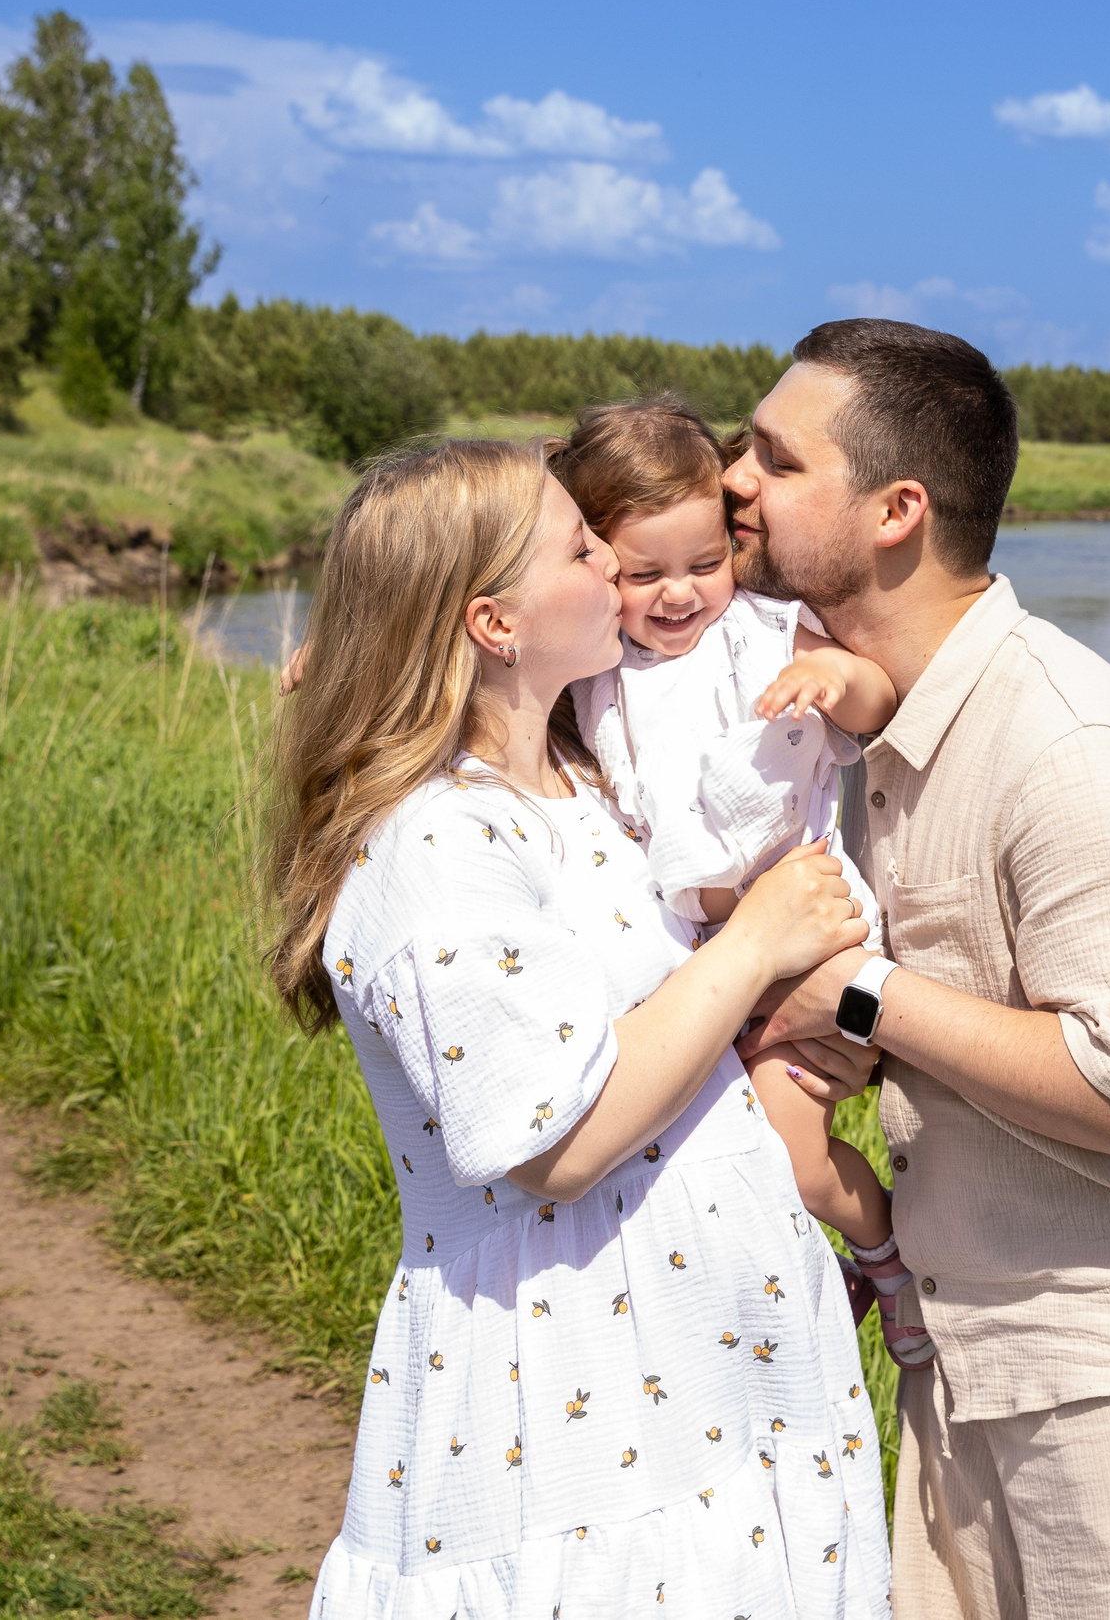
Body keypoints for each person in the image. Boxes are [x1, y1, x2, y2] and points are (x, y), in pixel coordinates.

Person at [728, 321, 1110, 1619]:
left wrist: (863, 995)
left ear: (897, 512)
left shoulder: (1065, 740)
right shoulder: (854, 724)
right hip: (968, 1350)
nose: (734, 478)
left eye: (775, 457)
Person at [264, 439, 892, 1617]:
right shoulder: (436, 840)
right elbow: (554, 1143)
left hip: (702, 1366)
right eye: (579, 543)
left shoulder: (580, 773)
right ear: (495, 624)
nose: (614, 558)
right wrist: (758, 942)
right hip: (576, 1394)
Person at [546, 393, 930, 1370]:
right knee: (714, 1161)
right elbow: (459, 653)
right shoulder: (594, 665)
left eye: (703, 563)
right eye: (645, 573)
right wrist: (339, 653)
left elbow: (876, 689)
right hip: (704, 959)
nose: (679, 593)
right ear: (596, 564)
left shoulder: (763, 632)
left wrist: (835, 684)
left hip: (810, 933)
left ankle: (888, 1262)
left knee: (792, 1155)